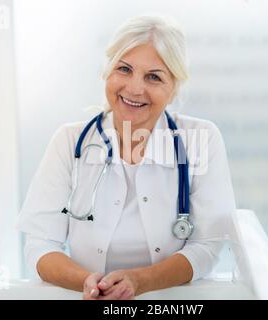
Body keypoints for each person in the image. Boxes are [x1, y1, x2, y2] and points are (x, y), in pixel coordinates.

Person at [16, 14, 236, 300]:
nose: (134, 88)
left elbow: (207, 245)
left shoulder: (201, 139)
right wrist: (90, 284)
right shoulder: (69, 142)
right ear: (107, 71)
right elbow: (40, 244)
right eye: (124, 69)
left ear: (174, 88)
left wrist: (140, 281)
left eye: (154, 77)